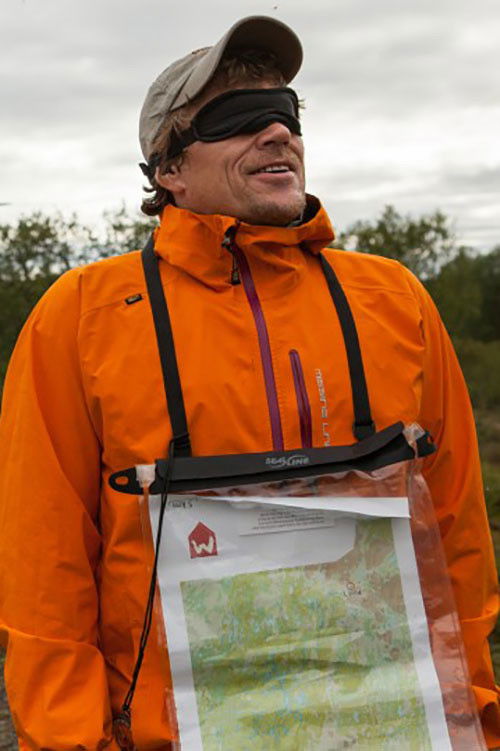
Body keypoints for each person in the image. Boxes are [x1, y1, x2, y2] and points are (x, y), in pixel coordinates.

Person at [0, 14, 499, 751]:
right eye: (238, 117)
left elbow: (458, 533)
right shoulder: (81, 317)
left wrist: (473, 717)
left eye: (286, 113)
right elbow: (43, 567)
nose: (277, 132)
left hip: (391, 729)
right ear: (169, 169)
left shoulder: (395, 300)